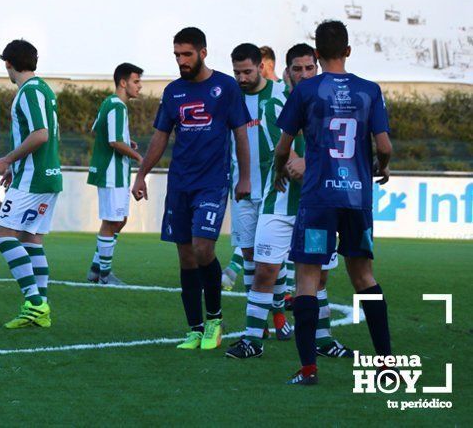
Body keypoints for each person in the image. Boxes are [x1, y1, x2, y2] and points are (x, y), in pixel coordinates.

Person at [274, 21, 393, 385]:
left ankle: (309, 369)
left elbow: (283, 146)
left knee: (308, 279)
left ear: (317, 53)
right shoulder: (369, 91)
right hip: (356, 198)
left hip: (319, 200)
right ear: (348, 50)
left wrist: (280, 168)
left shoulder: (307, 90)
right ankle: (386, 363)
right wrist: (381, 166)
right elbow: (385, 146)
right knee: (364, 277)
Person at [132, 27, 251, 351]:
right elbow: (160, 137)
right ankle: (194, 328)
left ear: (203, 52)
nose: (181, 61)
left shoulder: (225, 87)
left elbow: (240, 133)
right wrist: (142, 174)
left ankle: (214, 320)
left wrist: (245, 178)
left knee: (203, 249)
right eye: (177, 55)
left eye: (186, 54)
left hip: (212, 183)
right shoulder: (173, 92)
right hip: (180, 183)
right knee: (185, 256)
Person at [225, 43, 325, 359]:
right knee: (264, 267)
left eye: (310, 68)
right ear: (286, 71)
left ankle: (322, 341)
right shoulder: (277, 105)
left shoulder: (332, 102)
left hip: (319, 203)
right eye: (297, 68)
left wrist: (311, 165)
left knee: (319, 275)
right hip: (277, 200)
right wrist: (300, 162)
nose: (304, 74)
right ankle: (254, 338)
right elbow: (285, 156)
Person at [0, 39, 61, 329]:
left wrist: (7, 160)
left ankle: (34, 302)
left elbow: (40, 134)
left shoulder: (27, 92)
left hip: (35, 178)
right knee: (31, 239)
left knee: (4, 237)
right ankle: (40, 308)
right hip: (47, 174)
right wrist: (16, 168)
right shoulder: (44, 89)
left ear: (8, 63)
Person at [86, 63, 144, 286]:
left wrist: (126, 141)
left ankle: (95, 269)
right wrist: (139, 158)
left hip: (113, 171)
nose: (139, 86)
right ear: (123, 82)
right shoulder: (118, 106)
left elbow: (97, 130)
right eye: (136, 81)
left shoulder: (108, 103)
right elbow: (113, 141)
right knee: (112, 222)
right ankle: (105, 275)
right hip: (112, 172)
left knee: (119, 220)